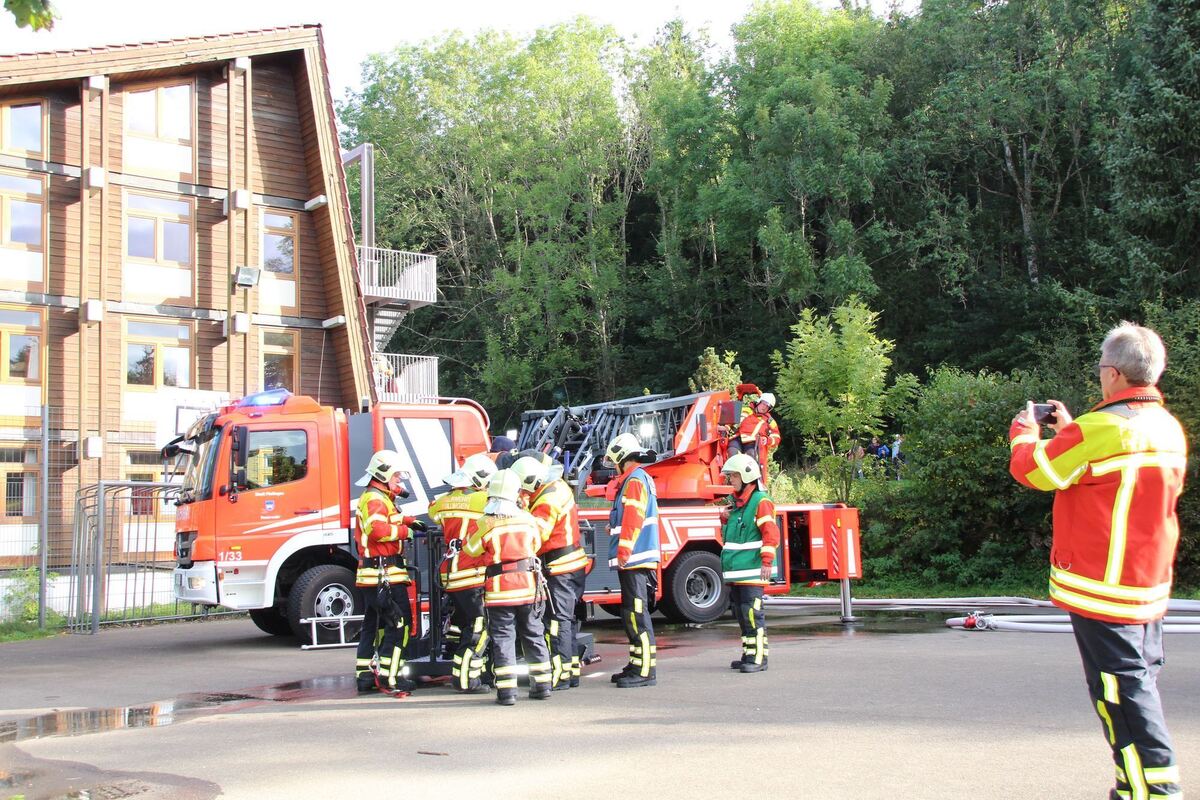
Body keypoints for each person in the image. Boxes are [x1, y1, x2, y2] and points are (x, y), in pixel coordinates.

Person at [1008, 322, 1186, 800]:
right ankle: (1135, 784)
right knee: (1140, 680)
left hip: (1102, 584)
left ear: (1111, 373)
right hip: (1148, 581)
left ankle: (1152, 789)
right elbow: (1104, 476)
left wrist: (1024, 434)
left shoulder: (1102, 427)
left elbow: (1036, 471)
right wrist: (1070, 431)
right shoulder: (1166, 426)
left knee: (1120, 693)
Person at [463, 470, 553, 706]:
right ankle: (542, 685)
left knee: (503, 638)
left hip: (500, 592)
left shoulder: (486, 522)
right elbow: (537, 543)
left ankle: (507, 692)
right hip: (529, 587)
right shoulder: (528, 519)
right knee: (534, 634)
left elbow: (471, 549)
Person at [512, 451, 588, 691]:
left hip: (560, 568)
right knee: (566, 620)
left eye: (523, 490)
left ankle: (561, 675)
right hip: (568, 566)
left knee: (557, 622)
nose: (522, 494)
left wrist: (520, 513)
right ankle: (571, 672)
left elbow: (537, 536)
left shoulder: (548, 498)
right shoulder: (553, 488)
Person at [353, 449, 426, 696]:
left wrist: (408, 520)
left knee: (372, 625)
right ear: (383, 474)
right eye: (396, 477)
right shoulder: (375, 498)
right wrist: (407, 532)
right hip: (384, 575)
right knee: (399, 624)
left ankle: (364, 676)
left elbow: (388, 517)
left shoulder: (378, 497)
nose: (399, 482)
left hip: (373, 575)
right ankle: (391, 677)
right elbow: (377, 530)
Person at [428, 452, 496, 693]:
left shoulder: (443, 501)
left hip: (450, 574)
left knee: (467, 626)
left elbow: (432, 513)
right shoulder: (484, 499)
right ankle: (467, 680)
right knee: (480, 628)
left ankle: (467, 673)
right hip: (473, 573)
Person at [604, 432, 661, 688]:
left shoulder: (635, 481)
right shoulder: (635, 480)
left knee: (637, 615)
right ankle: (637, 663)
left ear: (621, 458)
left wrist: (624, 552)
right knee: (631, 614)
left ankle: (645, 670)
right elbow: (627, 518)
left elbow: (634, 519)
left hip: (635, 560)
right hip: (635, 560)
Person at [717, 454, 779, 673]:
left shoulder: (761, 501)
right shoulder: (736, 504)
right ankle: (749, 653)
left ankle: (759, 657)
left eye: (733, 475)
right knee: (742, 614)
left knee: (752, 613)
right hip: (737, 572)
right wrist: (724, 518)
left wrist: (767, 562)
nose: (730, 480)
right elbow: (731, 538)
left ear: (746, 476)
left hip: (752, 570)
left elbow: (771, 534)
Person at [729, 392, 781, 481]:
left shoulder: (769, 420)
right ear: (759, 402)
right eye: (763, 404)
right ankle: (732, 478)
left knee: (751, 459)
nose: (764, 407)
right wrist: (725, 426)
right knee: (732, 452)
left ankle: (750, 482)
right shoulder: (745, 410)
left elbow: (776, 436)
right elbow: (730, 420)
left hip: (752, 443)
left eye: (767, 406)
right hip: (737, 438)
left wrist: (767, 440)